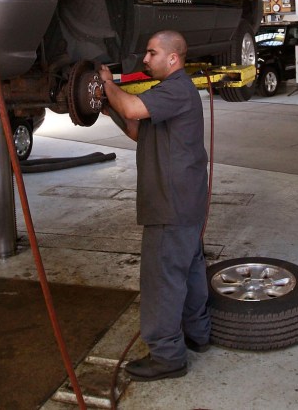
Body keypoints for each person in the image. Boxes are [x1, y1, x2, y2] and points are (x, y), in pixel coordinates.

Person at [97, 30, 211, 382]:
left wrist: (108, 82)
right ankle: (198, 335)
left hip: (170, 205)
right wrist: (106, 101)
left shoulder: (176, 88)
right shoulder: (171, 94)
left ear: (172, 58)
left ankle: (167, 356)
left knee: (162, 281)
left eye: (151, 53)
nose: (144, 59)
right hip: (185, 204)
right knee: (188, 273)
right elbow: (136, 127)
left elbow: (131, 106)